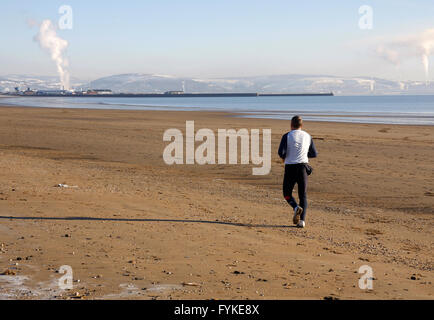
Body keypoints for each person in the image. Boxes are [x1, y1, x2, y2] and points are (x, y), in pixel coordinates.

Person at [278, 115, 317, 228]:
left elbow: (281, 152)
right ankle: (302, 221)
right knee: (303, 195)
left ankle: (295, 207)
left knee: (286, 193)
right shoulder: (308, 136)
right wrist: (304, 154)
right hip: (303, 168)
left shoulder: (287, 136)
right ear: (301, 125)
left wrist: (285, 156)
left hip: (290, 168)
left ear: (291, 125)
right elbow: (314, 153)